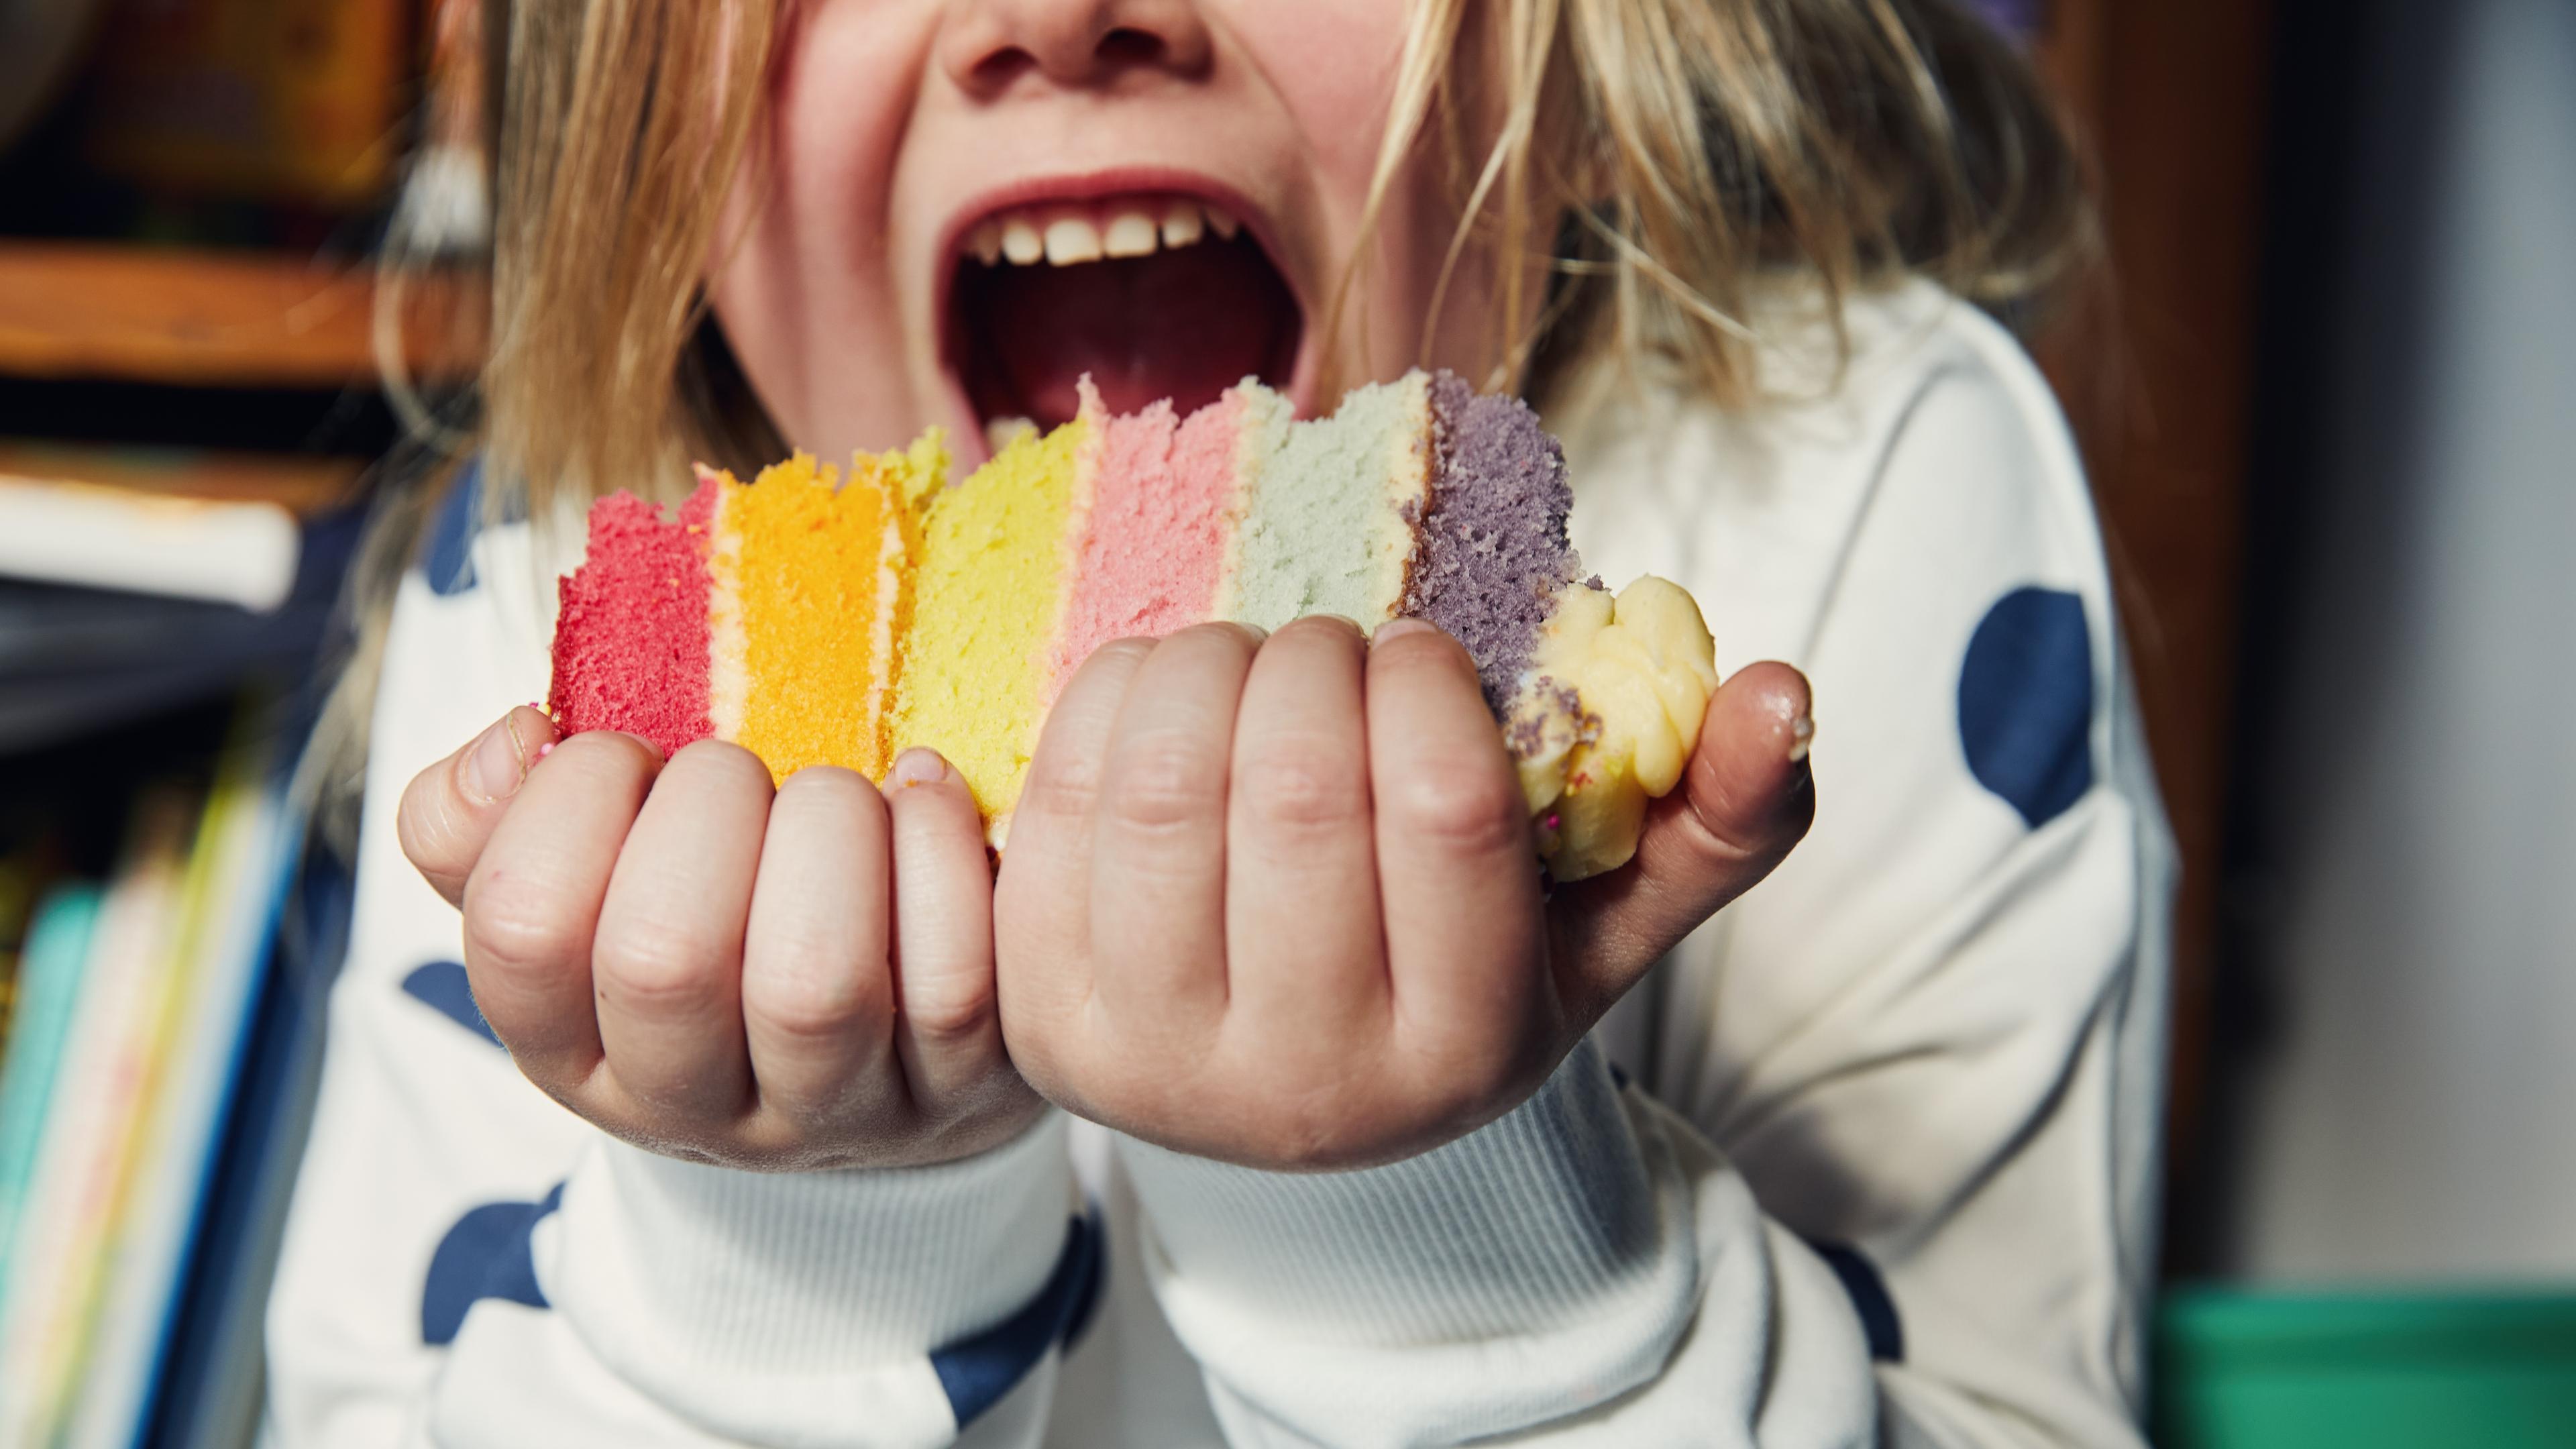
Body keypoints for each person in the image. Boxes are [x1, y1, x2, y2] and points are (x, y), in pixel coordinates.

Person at [269, 1, 2171, 1444]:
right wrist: (789, 1251)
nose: (1064, 11)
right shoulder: (543, 617)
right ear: (629, 119)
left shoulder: (1854, 485)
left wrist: (1448, 1223)